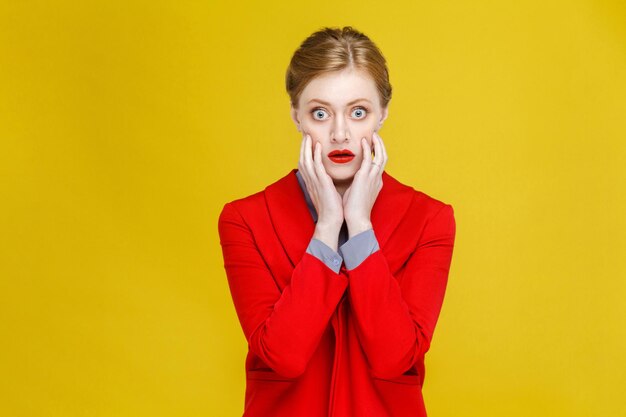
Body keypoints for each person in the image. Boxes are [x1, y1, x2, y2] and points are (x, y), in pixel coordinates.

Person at [218, 26, 456, 417]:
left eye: (358, 112)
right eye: (320, 113)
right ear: (296, 115)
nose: (340, 133)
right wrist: (328, 226)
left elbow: (394, 357)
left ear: (382, 114)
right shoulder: (245, 219)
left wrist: (359, 225)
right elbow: (284, 357)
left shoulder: (429, 220)